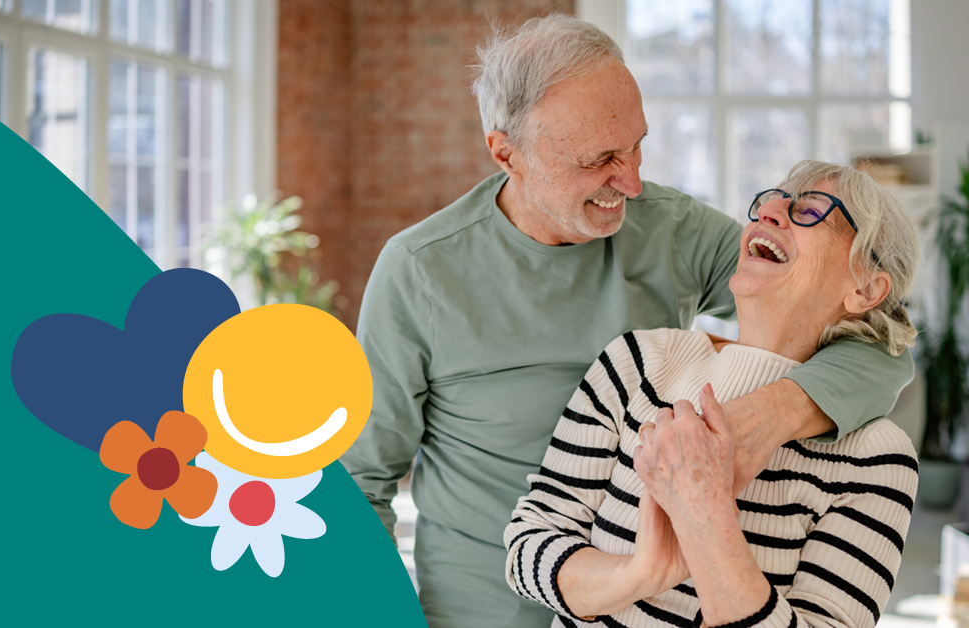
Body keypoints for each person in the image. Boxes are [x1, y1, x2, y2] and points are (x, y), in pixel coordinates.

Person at [340, 15, 913, 628]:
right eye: (601, 159)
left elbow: (872, 340)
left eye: (638, 143)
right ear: (508, 154)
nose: (632, 181)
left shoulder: (670, 229)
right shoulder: (420, 271)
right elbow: (360, 484)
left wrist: (767, 415)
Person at [505, 160, 920, 628]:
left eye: (809, 211)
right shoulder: (641, 362)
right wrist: (640, 573)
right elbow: (529, 544)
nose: (769, 213)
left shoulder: (876, 458)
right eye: (767, 202)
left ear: (866, 288)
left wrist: (706, 518)